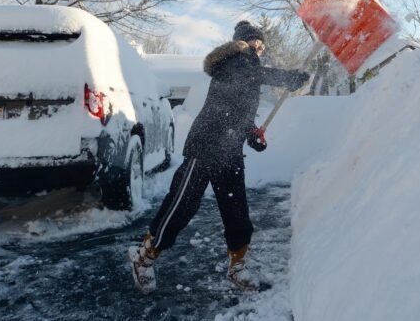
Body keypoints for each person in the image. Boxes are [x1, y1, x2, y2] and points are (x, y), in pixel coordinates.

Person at [129, 20, 310, 293]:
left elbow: (237, 112)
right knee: (182, 206)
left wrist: (251, 134)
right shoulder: (232, 62)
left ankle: (237, 267)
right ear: (244, 42)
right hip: (205, 147)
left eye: (262, 44)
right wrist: (287, 77)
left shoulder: (249, 70)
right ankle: (144, 256)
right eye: (257, 42)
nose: (261, 48)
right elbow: (248, 74)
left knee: (237, 212)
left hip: (229, 151)